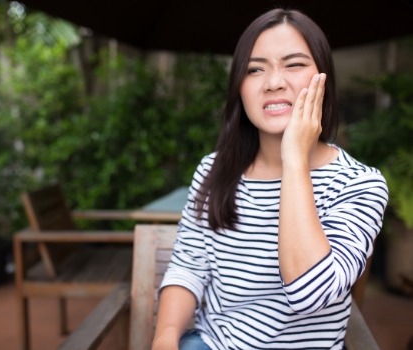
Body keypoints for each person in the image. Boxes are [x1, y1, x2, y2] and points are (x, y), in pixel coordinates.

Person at [152, 7, 389, 350]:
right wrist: (165, 338)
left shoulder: (360, 185)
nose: (274, 82)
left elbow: (312, 293)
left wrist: (294, 159)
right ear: (240, 89)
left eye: (293, 64)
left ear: (324, 78)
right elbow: (188, 268)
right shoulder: (214, 170)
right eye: (254, 69)